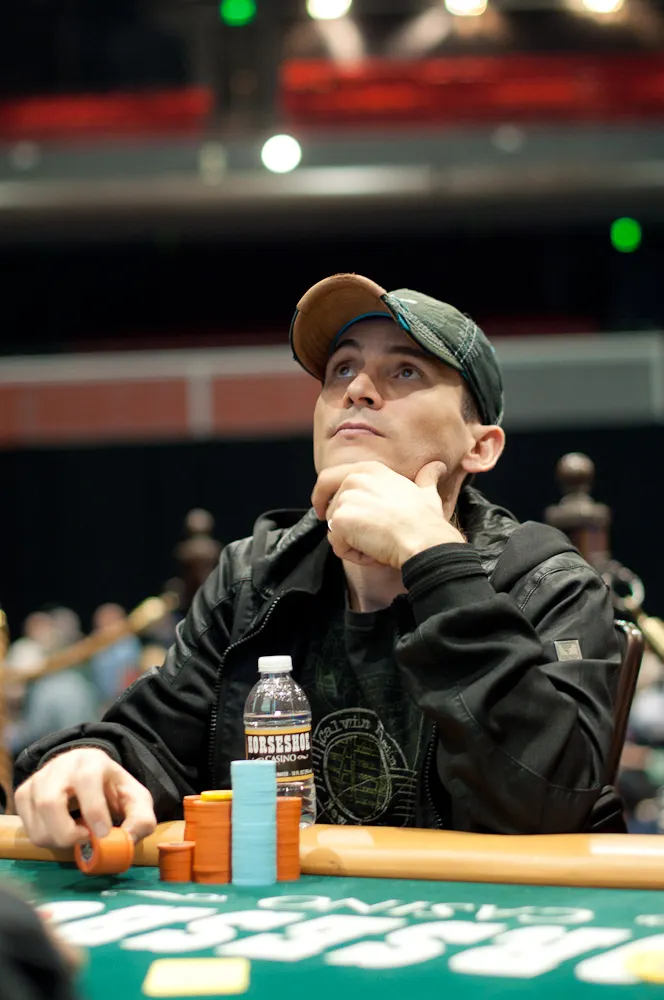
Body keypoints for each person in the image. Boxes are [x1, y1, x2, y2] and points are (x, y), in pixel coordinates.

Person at [14, 272, 623, 848]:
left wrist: (432, 557)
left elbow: (547, 805)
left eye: (405, 370)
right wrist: (91, 761)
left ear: (481, 446)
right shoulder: (254, 576)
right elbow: (151, 742)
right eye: (342, 369)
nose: (357, 389)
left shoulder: (546, 582)